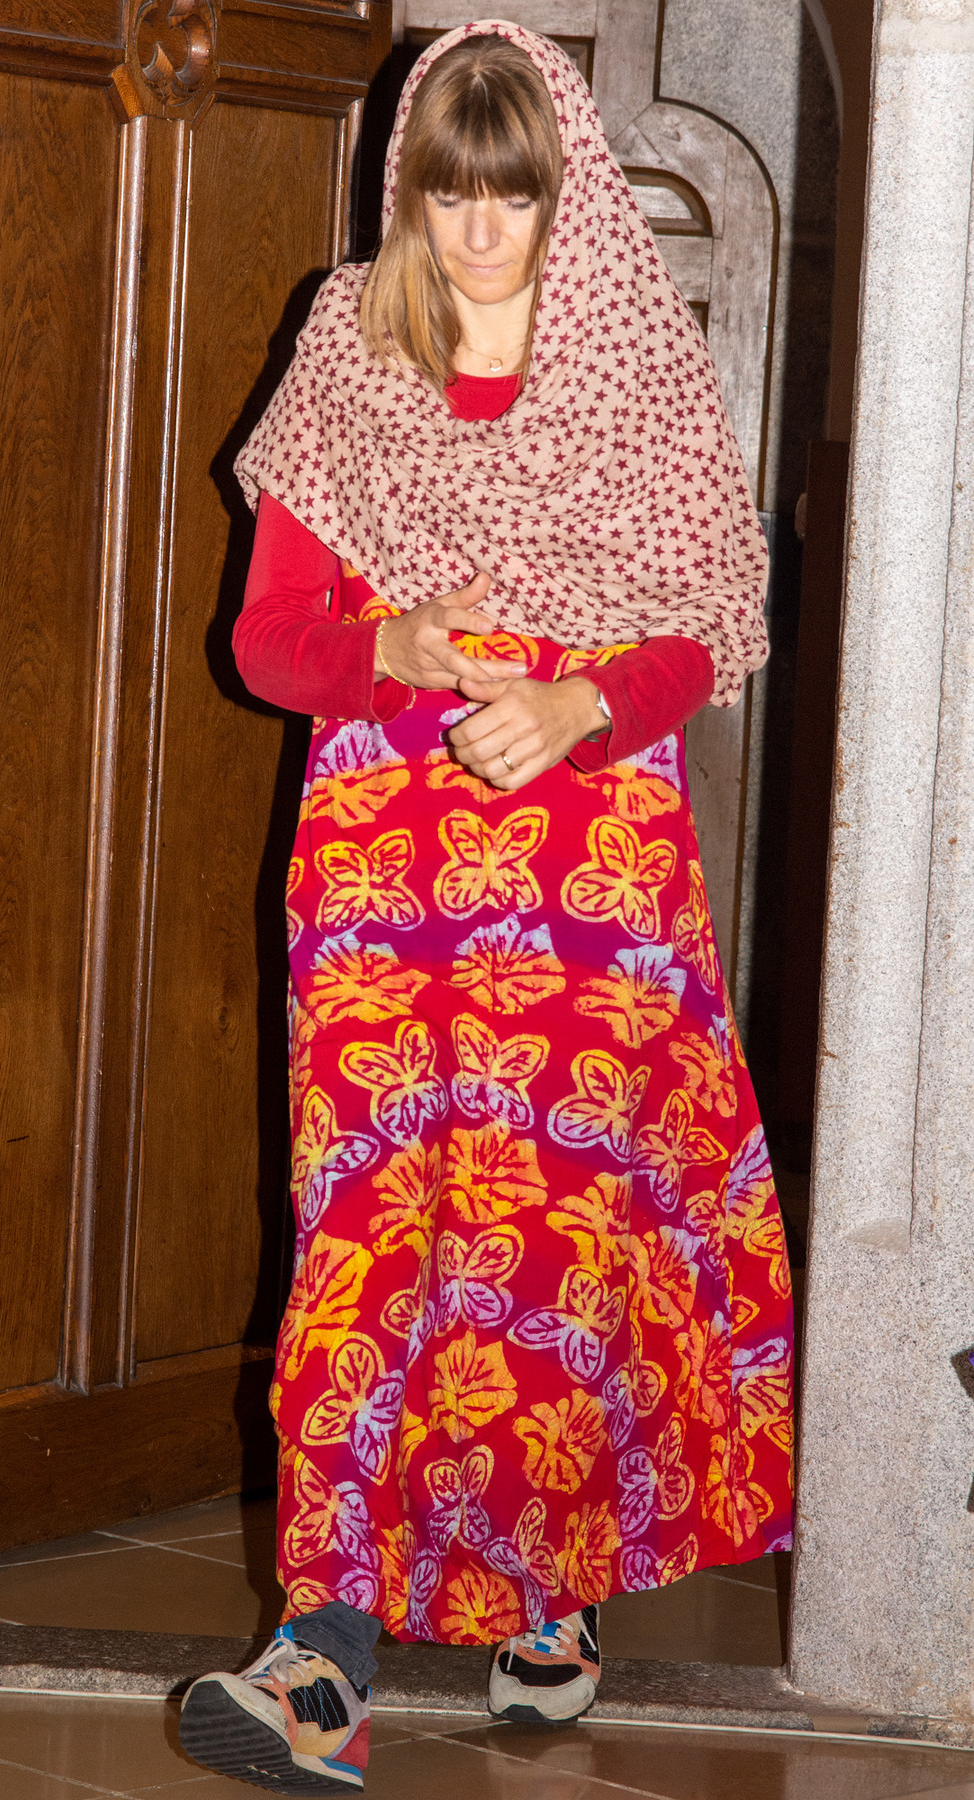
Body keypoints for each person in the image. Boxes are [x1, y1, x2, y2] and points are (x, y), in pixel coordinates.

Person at [179, 21, 794, 1795]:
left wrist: (583, 698)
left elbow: (713, 623)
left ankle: (552, 1584)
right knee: (365, 1224)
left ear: (562, 194)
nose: (473, 233)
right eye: (445, 195)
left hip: (592, 856)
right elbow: (263, 643)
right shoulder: (345, 345)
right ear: (406, 193)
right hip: (385, 865)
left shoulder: (645, 364)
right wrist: (385, 642)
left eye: (506, 197)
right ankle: (322, 1656)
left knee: (557, 1234)